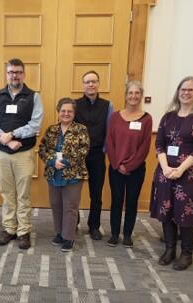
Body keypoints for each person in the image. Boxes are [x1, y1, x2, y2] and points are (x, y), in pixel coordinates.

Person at [150, 76, 193, 271]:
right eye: (183, 89)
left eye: (190, 90)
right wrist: (166, 168)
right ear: (178, 92)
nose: (186, 93)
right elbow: (159, 144)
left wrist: (180, 169)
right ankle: (170, 249)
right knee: (167, 212)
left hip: (190, 174)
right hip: (166, 173)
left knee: (187, 214)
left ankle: (186, 254)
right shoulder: (168, 116)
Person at [0, 58, 43, 249]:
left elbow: (35, 125)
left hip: (24, 153)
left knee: (23, 194)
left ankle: (24, 231)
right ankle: (9, 228)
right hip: (1, 153)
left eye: (18, 72)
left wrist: (13, 135)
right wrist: (5, 138)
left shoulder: (33, 96)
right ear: (7, 74)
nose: (14, 75)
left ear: (24, 74)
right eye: (11, 72)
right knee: (7, 193)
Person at [38, 98, 89, 252]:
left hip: (73, 174)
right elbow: (42, 149)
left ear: (74, 113)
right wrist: (52, 161)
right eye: (63, 111)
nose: (66, 114)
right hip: (53, 173)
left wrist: (65, 162)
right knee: (56, 205)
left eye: (70, 111)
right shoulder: (51, 130)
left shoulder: (81, 129)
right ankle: (59, 233)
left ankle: (68, 237)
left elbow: (84, 150)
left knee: (70, 206)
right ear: (58, 112)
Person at [106, 80, 152, 248]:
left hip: (136, 170)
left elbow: (145, 146)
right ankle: (114, 234)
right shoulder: (115, 117)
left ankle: (127, 235)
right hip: (116, 168)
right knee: (116, 200)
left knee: (131, 202)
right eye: (130, 93)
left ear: (141, 95)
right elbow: (109, 143)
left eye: (137, 93)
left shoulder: (147, 119)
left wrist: (130, 166)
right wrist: (118, 164)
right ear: (126, 95)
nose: (133, 96)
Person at [75, 70, 113, 240]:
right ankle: (73, 222)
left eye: (94, 81)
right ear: (83, 85)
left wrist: (104, 150)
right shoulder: (74, 105)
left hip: (97, 155)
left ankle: (94, 226)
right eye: (87, 81)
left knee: (96, 194)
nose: (91, 84)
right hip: (77, 156)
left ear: (98, 84)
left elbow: (110, 131)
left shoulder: (107, 105)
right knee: (73, 192)